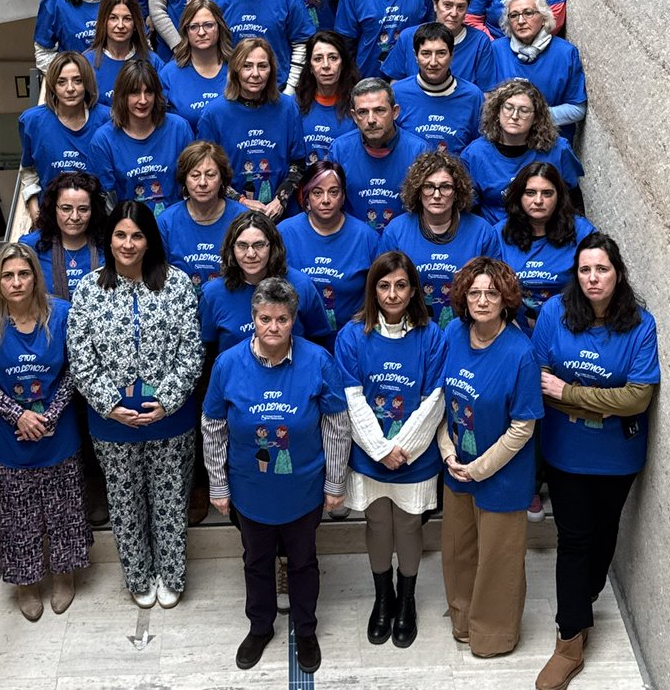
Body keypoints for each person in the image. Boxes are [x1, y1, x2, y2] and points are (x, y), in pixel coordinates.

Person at [202, 277, 350, 674]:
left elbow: (336, 425)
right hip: (250, 492)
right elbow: (214, 426)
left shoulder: (319, 360)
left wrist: (335, 484)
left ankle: (305, 629)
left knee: (303, 563)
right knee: (255, 562)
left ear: (293, 320)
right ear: (254, 318)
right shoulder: (227, 364)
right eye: (265, 318)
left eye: (282, 319)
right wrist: (218, 484)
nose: (273, 327)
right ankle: (260, 627)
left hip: (304, 491)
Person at [533, 234, 660, 690]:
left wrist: (570, 395)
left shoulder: (641, 326)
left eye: (601, 269)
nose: (592, 278)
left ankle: (584, 603)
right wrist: (604, 403)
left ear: (617, 273)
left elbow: (637, 397)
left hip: (618, 456)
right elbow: (538, 377)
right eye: (585, 270)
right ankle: (569, 640)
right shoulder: (554, 314)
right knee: (574, 539)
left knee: (605, 536)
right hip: (566, 452)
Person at [67, 201, 203, 609]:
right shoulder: (90, 289)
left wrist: (166, 400)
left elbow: (191, 351)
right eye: (120, 235)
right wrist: (108, 404)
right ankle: (138, 577)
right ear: (108, 239)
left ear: (150, 240)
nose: (128, 244)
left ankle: (171, 574)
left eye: (137, 235)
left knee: (170, 500)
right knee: (124, 503)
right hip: (112, 422)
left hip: (170, 418)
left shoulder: (177, 284)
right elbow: (80, 354)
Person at [0, 242, 91, 620]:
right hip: (8, 440)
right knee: (17, 518)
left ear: (36, 276)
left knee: (64, 511)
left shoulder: (62, 314)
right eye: (8, 276)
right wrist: (18, 414)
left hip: (59, 433)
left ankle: (64, 577)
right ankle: (26, 584)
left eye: (23, 274)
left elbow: (76, 370)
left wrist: (49, 414)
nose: (16, 282)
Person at [335, 251, 447, 647]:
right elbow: (351, 398)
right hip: (369, 454)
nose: (393, 293)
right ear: (373, 290)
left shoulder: (432, 335)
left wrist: (401, 447)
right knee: (377, 523)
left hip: (415, 457)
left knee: (409, 525)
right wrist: (380, 449)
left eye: (401, 285)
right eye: (384, 285)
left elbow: (435, 399)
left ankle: (408, 601)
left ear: (413, 289)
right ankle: (383, 598)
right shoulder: (351, 335)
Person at [437, 256, 542, 656]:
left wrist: (478, 468)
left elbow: (523, 427)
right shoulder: (452, 335)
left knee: (499, 562)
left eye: (491, 293)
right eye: (475, 292)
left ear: (505, 299)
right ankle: (462, 622)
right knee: (458, 552)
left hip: (500, 476)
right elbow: (439, 405)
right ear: (464, 297)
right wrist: (449, 454)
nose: (482, 300)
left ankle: (493, 637)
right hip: (456, 468)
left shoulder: (521, 353)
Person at [380, 151, 501, 328]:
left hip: (469, 331)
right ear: (418, 191)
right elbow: (382, 288)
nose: (436, 195)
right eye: (428, 186)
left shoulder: (482, 232)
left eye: (445, 187)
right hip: (410, 331)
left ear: (457, 191)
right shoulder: (396, 231)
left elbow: (497, 289)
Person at [198, 38, 305, 215]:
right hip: (232, 213)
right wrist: (241, 201)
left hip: (282, 212)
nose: (255, 74)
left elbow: (298, 164)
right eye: (247, 66)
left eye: (262, 66)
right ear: (235, 70)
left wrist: (280, 200)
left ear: (271, 71)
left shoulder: (288, 108)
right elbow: (206, 169)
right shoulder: (214, 113)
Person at [461, 78, 584, 225]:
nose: (514, 116)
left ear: (536, 117)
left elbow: (573, 199)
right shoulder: (475, 154)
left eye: (524, 110)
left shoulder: (558, 150)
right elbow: (468, 209)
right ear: (497, 111)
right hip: (495, 236)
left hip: (546, 233)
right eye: (508, 108)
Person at [200, 215, 330, 351]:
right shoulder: (213, 294)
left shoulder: (302, 286)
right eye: (242, 246)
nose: (250, 254)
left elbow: (318, 342)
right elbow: (209, 352)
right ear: (232, 248)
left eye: (259, 245)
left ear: (272, 246)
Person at [280, 162, 379, 333]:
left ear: (343, 196)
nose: (325, 200)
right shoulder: (283, 233)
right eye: (317, 193)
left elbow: (381, 293)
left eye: (333, 192)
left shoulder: (366, 238)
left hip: (349, 340)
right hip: (294, 341)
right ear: (306, 197)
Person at [497, 162, 595, 333]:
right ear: (519, 195)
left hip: (570, 328)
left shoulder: (582, 232)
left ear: (559, 197)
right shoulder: (500, 234)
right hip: (513, 329)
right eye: (530, 193)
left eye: (547, 193)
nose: (538, 201)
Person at [89, 59, 193, 213]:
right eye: (135, 92)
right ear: (122, 95)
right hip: (128, 228)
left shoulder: (179, 128)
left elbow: (192, 182)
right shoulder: (103, 140)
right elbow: (104, 203)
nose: (143, 100)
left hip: (174, 223)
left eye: (149, 92)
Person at [329, 78, 429, 233]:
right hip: (355, 241)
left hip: (403, 243)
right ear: (354, 117)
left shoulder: (419, 151)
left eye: (379, 110)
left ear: (395, 112)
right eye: (363, 112)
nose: (370, 120)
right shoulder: (340, 150)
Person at [19, 52, 110, 221]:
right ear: (52, 85)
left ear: (87, 83)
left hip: (95, 218)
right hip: (49, 217)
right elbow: (28, 171)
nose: (70, 88)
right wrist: (33, 207)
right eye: (62, 82)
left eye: (78, 80)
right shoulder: (33, 121)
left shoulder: (106, 119)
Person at [490, 0, 587, 143]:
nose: (521, 21)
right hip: (504, 141)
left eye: (528, 13)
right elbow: (485, 97)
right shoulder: (495, 50)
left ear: (543, 18)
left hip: (548, 143)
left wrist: (532, 117)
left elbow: (578, 109)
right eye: (514, 15)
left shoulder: (565, 53)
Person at [157, 141, 247, 293]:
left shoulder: (242, 218)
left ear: (222, 179)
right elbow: (158, 275)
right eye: (195, 175)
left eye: (210, 175)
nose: (202, 183)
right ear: (184, 179)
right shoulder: (166, 221)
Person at [382, 0, 496, 91]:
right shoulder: (408, 37)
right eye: (447, 5)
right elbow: (395, 83)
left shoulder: (479, 42)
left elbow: (486, 91)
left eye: (461, 7)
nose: (454, 13)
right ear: (435, 4)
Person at [392, 21, 484, 154]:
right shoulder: (398, 93)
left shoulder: (473, 96)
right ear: (415, 56)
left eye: (441, 53)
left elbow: (479, 149)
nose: (433, 62)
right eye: (426, 54)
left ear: (452, 55)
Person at [19, 171, 107, 299]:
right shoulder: (31, 245)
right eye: (66, 209)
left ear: (93, 210)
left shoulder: (107, 244)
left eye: (83, 209)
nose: (75, 217)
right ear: (53, 209)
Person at [159, 0, 232, 130]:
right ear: (186, 31)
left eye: (208, 25)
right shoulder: (168, 74)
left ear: (219, 27)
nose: (201, 32)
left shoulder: (237, 69)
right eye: (194, 27)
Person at [85, 0, 161, 105]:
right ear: (103, 22)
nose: (120, 25)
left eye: (127, 19)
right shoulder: (87, 62)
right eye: (113, 18)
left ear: (135, 24)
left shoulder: (152, 61)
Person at [294, 30, 360, 163]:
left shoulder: (359, 105)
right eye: (318, 59)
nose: (326, 66)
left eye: (333, 58)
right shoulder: (294, 105)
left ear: (343, 64)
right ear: (310, 67)